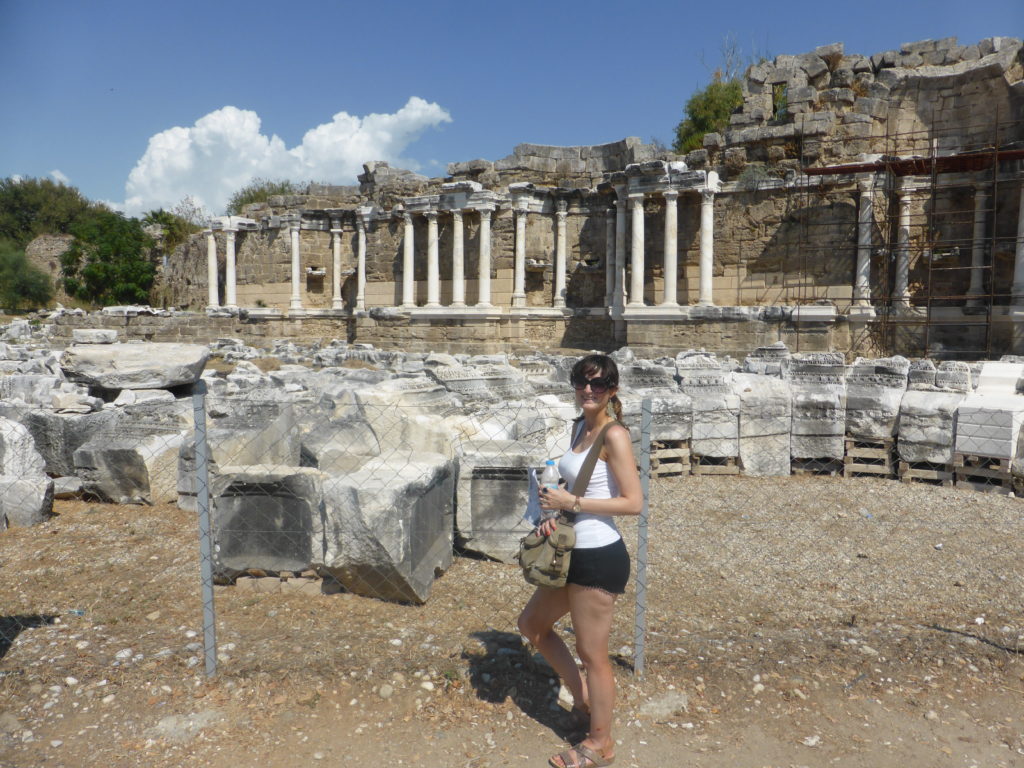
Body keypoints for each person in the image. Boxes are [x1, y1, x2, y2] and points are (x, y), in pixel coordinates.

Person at [517, 354, 642, 768]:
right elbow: (572, 485)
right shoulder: (578, 427)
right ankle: (585, 701)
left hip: (598, 556)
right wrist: (555, 514)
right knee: (533, 625)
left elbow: (633, 502)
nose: (589, 390)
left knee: (594, 654)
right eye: (582, 382)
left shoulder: (614, 435)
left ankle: (600, 743)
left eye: (600, 384)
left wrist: (573, 501)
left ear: (613, 390)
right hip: (568, 550)